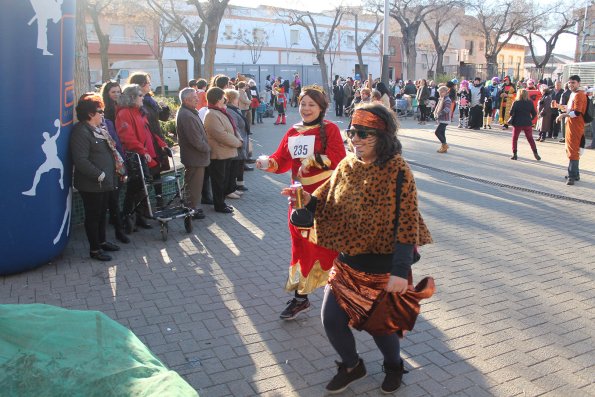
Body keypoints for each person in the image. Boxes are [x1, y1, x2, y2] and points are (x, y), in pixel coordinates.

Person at [282, 103, 433, 394]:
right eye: (353, 132)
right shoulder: (347, 165)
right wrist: (304, 198)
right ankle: (352, 366)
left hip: (383, 268)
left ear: (384, 136)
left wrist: (400, 271)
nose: (357, 139)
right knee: (331, 320)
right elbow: (325, 202)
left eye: (366, 134)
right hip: (347, 264)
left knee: (381, 328)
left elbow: (407, 224)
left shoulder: (398, 170)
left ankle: (394, 366)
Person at [255, 85, 347, 320]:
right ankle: (301, 297)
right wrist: (267, 163)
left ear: (321, 107)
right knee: (300, 247)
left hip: (324, 200)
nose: (306, 108)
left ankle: (343, 292)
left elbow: (340, 160)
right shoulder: (293, 132)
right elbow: (282, 160)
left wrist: (313, 159)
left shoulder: (331, 130)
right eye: (303, 104)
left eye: (311, 105)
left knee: (328, 246)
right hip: (297, 199)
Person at [70, 93, 124, 261]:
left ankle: (102, 242)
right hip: (93, 184)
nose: (103, 113)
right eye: (100, 111)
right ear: (90, 114)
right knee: (93, 216)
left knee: (102, 215)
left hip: (105, 182)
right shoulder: (81, 131)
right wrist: (100, 175)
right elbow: (80, 160)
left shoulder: (99, 130)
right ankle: (94, 250)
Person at [116, 84, 167, 231]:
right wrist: (142, 150)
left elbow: (149, 132)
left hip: (147, 154)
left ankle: (139, 217)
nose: (143, 97)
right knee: (135, 188)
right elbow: (127, 137)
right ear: (132, 97)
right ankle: (128, 217)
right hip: (136, 156)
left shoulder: (139, 111)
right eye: (140, 95)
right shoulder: (124, 113)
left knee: (140, 188)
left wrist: (161, 143)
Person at [127, 72, 171, 209]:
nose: (150, 85)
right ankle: (143, 208)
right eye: (148, 83)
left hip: (156, 140)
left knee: (157, 172)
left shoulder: (150, 100)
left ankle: (159, 201)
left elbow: (161, 117)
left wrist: (165, 108)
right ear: (140, 85)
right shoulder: (136, 104)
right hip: (146, 142)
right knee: (146, 176)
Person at [203, 87, 244, 213]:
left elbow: (232, 128)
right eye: (223, 97)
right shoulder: (211, 114)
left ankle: (222, 203)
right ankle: (219, 205)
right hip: (219, 154)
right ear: (217, 99)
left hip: (227, 152)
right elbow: (221, 135)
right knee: (218, 181)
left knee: (224, 180)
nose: (225, 99)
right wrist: (238, 142)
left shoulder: (220, 111)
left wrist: (239, 139)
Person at [100, 81, 129, 244]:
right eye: (113, 92)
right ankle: (116, 225)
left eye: (119, 91)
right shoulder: (108, 115)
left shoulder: (119, 112)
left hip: (118, 158)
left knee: (116, 195)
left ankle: (118, 224)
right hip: (107, 164)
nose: (117, 94)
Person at [176, 88, 210, 220]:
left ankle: (192, 207)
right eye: (194, 97)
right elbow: (195, 140)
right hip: (194, 157)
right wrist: (208, 148)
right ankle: (191, 209)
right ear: (185, 100)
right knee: (193, 185)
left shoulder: (189, 112)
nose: (197, 99)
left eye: (196, 96)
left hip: (195, 156)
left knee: (194, 185)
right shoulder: (187, 115)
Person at [556, 75, 587, 185]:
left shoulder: (579, 95)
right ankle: (575, 173)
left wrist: (563, 115)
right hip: (571, 125)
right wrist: (560, 106)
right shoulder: (574, 94)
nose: (570, 84)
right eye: (569, 83)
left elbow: (577, 112)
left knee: (573, 150)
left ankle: (572, 176)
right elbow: (571, 109)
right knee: (571, 149)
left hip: (575, 126)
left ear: (578, 83)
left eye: (573, 82)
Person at [224, 89, 250, 195]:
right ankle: (231, 189)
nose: (238, 100)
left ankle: (234, 187)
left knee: (237, 166)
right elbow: (235, 128)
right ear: (232, 99)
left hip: (241, 141)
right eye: (237, 98)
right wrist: (239, 141)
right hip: (238, 143)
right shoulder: (230, 110)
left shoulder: (234, 109)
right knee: (234, 168)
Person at [508, 89, 541, 161]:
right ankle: (535, 152)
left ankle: (515, 154)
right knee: (530, 138)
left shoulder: (516, 102)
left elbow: (511, 113)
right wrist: (530, 119)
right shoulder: (530, 102)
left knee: (515, 138)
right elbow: (534, 113)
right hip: (527, 123)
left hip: (517, 123)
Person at [433, 86, 452, 153]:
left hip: (445, 119)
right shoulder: (442, 98)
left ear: (445, 92)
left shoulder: (447, 99)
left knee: (437, 132)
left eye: (442, 92)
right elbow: (438, 108)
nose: (440, 93)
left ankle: (445, 145)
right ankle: (444, 148)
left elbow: (447, 109)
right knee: (442, 133)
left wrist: (439, 114)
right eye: (439, 92)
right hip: (442, 119)